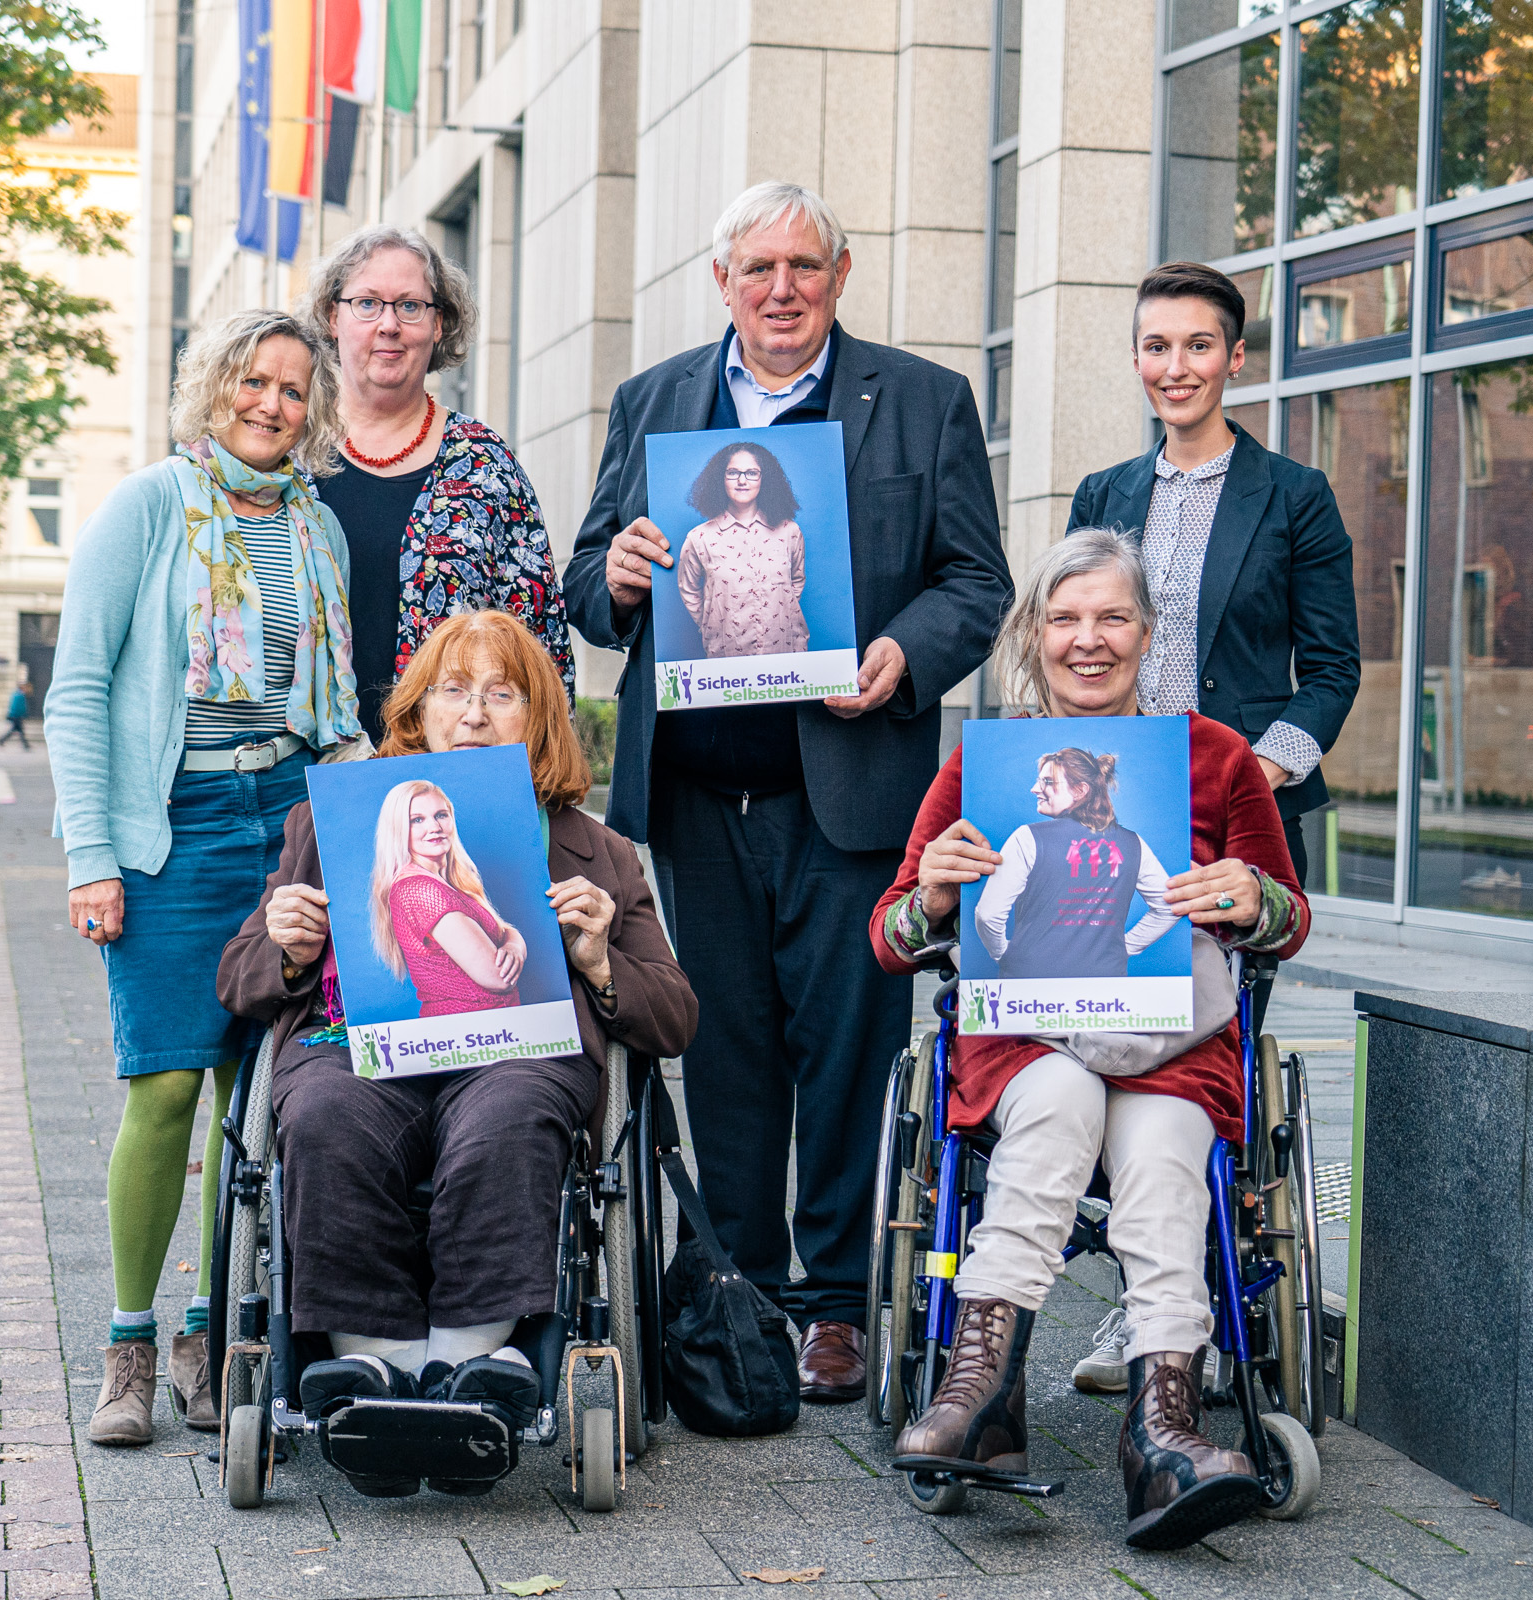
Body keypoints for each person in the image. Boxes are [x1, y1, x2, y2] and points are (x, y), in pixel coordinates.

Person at [564, 180, 1011, 1403]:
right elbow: (586, 587)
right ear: (722, 281)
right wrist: (622, 571)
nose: (780, 289)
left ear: (842, 272)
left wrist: (907, 653)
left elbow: (978, 579)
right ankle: (741, 1285)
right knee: (729, 1048)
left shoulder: (923, 402)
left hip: (853, 792)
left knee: (851, 1049)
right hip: (702, 798)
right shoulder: (657, 402)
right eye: (757, 268)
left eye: (803, 267)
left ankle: (833, 1302)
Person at [869, 528, 1309, 1551]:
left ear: (1147, 633)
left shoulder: (1215, 759)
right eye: (1064, 619)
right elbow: (891, 940)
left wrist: (1253, 896)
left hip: (1167, 1042)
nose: (1088, 640)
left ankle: (1162, 1432)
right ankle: (978, 1393)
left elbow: (1291, 919)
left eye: (1112, 617)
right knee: (1058, 1110)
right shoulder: (988, 770)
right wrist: (935, 894)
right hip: (1031, 1046)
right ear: (1032, 633)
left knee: (1161, 1162)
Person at [217, 611, 696, 1493]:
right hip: (361, 1055)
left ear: (539, 718)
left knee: (508, 1116)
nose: (474, 713)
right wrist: (284, 946)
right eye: (453, 691)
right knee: (321, 1113)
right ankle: (376, 1361)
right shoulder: (337, 825)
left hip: (514, 1058)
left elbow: (674, 1019)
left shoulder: (602, 852)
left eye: (501, 694)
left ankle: (477, 1360)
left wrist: (597, 960)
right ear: (418, 713)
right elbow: (238, 978)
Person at [46, 308, 360, 1448]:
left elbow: (334, 708)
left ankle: (207, 1331)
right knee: (168, 1085)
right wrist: (93, 857)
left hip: (285, 818)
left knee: (257, 1092)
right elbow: (77, 686)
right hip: (170, 828)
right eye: (254, 382)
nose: (272, 404)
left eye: (293, 388)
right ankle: (128, 1348)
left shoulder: (317, 530)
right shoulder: (150, 508)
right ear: (215, 386)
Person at [1067, 261, 1360, 885]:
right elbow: (1069, 645)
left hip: (1243, 811)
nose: (1176, 368)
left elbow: (1332, 670)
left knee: (1227, 984)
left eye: (1199, 346)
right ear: (1137, 358)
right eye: (1157, 347)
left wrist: (1252, 776)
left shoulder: (1297, 496)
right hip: (1117, 797)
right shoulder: (1100, 496)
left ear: (1235, 357)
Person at [301, 224, 572, 738]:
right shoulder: (288, 454)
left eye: (410, 306)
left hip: (445, 784)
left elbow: (540, 644)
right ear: (332, 317)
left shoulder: (485, 464)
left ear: (439, 324)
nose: (389, 325)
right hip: (296, 777)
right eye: (366, 304)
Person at [974, 748, 1180, 980]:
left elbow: (988, 914)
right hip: (1106, 985)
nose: (1035, 789)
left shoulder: (1027, 837)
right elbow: (1169, 906)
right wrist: (1122, 949)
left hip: (1029, 985)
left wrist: (1004, 955)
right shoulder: (1134, 843)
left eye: (1047, 782)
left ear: (1081, 790)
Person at [368, 778, 527, 1016]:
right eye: (417, 820)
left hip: (492, 1031)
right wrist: (514, 947)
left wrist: (514, 946)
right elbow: (499, 977)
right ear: (398, 830)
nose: (434, 827)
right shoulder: (420, 890)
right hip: (467, 1036)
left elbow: (504, 931)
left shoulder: (450, 882)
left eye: (441, 815)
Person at [676, 441, 809, 659]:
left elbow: (796, 581)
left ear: (765, 479)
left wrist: (777, 613)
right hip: (726, 654)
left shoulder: (790, 532)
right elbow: (688, 590)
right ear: (720, 479)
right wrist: (714, 623)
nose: (742, 480)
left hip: (786, 650)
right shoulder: (699, 537)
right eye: (733, 473)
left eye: (751, 473)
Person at [0, 679, 32, 748]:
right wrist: (24, 714)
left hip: (15, 715)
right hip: (17, 716)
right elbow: (19, 707)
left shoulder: (16, 694)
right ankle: (26, 745)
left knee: (16, 730)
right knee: (19, 731)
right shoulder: (20, 695)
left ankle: (1, 740)